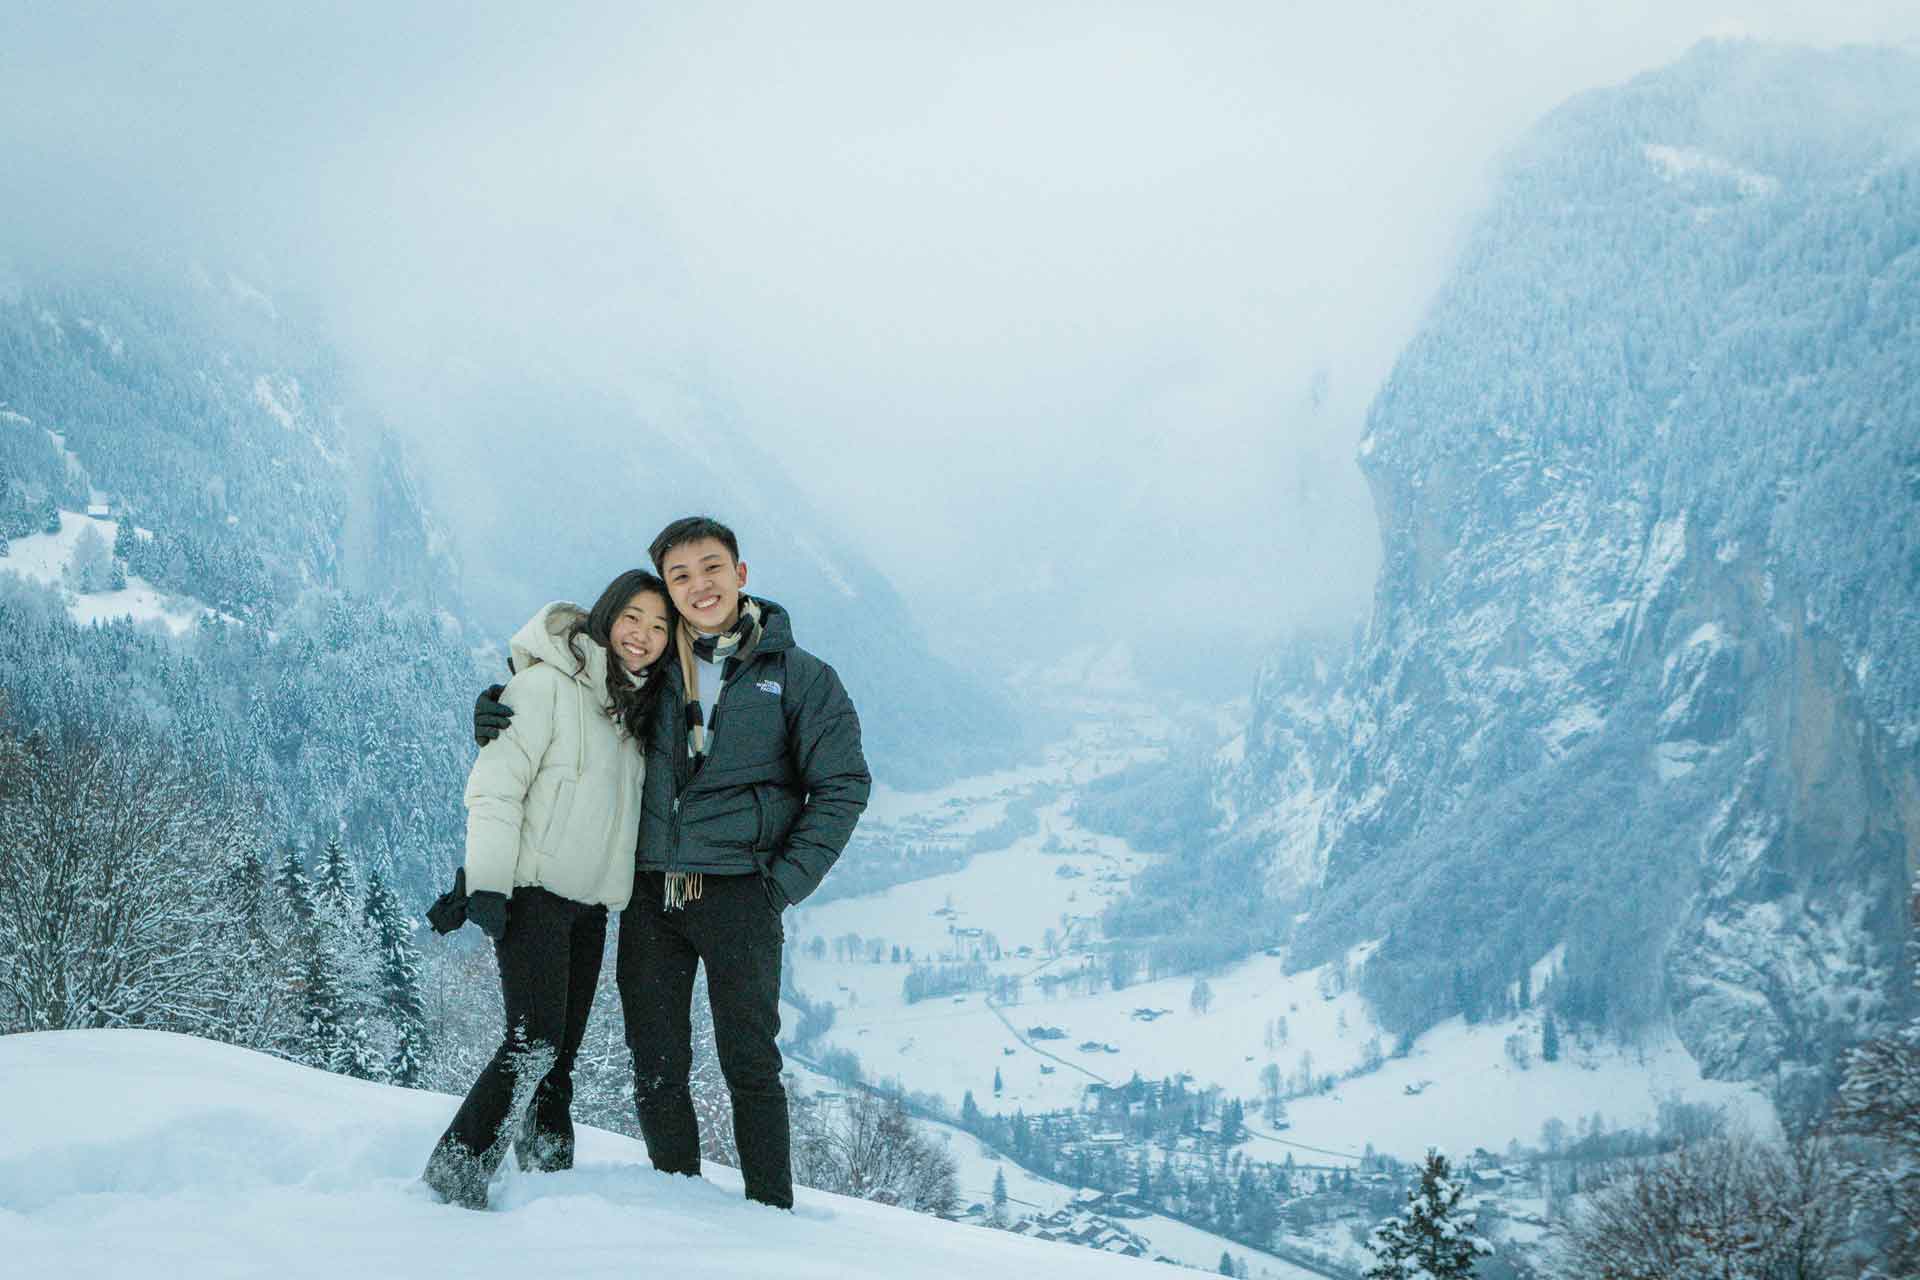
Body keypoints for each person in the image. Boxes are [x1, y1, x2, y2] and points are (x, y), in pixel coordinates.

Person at [475, 515, 870, 1209]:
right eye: (680, 575)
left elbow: (842, 785)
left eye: (711, 568)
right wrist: (502, 697)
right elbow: (575, 689)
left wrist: (780, 885)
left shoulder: (800, 677)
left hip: (740, 894)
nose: (698, 586)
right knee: (657, 1065)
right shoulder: (651, 673)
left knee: (750, 1064)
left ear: (741, 574)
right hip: (653, 895)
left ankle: (771, 1214)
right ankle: (675, 1205)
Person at [423, 571, 674, 1210]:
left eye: (658, 626)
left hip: (590, 908)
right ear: (605, 618)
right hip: (532, 895)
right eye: (632, 619)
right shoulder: (542, 688)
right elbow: (495, 787)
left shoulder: (632, 711)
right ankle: (451, 1182)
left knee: (557, 1056)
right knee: (531, 1042)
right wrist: (486, 883)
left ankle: (547, 1187)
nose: (643, 636)